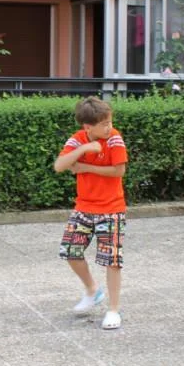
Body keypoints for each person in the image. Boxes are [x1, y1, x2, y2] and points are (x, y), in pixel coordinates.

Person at [53, 97, 128, 330]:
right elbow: (59, 165)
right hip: (84, 207)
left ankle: (113, 309)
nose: (109, 127)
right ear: (88, 127)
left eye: (109, 122)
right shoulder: (77, 139)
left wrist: (85, 167)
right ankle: (92, 290)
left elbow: (119, 171)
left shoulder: (114, 138)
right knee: (70, 250)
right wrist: (84, 149)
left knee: (111, 260)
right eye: (104, 124)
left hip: (112, 208)